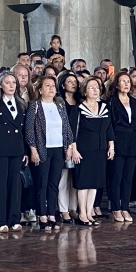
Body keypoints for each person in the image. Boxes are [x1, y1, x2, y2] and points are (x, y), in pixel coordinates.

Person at [25, 75, 74, 231]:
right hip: (42, 149)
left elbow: (67, 128)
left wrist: (69, 147)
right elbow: (29, 130)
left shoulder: (60, 105)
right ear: (40, 89)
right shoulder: (35, 106)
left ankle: (52, 214)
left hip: (59, 149)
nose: (51, 88)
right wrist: (33, 150)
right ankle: (42, 215)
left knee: (54, 184)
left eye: (53, 85)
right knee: (42, 183)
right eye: (47, 85)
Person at [0, 71, 28, 233]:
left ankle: (13, 218)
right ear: (0, 85)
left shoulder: (21, 103)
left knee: (14, 186)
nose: (11, 86)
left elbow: (23, 130)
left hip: (16, 150)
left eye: (14, 83)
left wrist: (24, 151)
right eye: (8, 83)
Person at [71, 77, 114, 226]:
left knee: (95, 182)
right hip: (84, 150)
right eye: (91, 87)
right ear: (84, 90)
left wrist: (111, 146)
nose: (95, 90)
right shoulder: (78, 109)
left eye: (97, 87)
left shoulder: (104, 107)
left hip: (100, 150)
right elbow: (71, 131)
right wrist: (73, 150)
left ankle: (90, 213)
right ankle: (82, 214)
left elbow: (109, 129)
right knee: (84, 183)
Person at [106, 72, 136, 222]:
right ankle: (116, 208)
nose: (127, 84)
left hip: (133, 142)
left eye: (128, 81)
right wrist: (111, 144)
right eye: (123, 81)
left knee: (128, 178)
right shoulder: (111, 102)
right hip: (118, 141)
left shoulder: (134, 102)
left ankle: (125, 207)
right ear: (117, 84)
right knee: (116, 177)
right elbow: (110, 125)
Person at [57, 72, 80, 223]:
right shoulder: (59, 102)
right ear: (63, 84)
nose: (73, 84)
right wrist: (69, 144)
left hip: (79, 143)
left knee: (76, 178)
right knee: (63, 178)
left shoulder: (80, 102)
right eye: (69, 81)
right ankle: (63, 209)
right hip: (63, 142)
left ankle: (73, 207)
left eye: (75, 81)